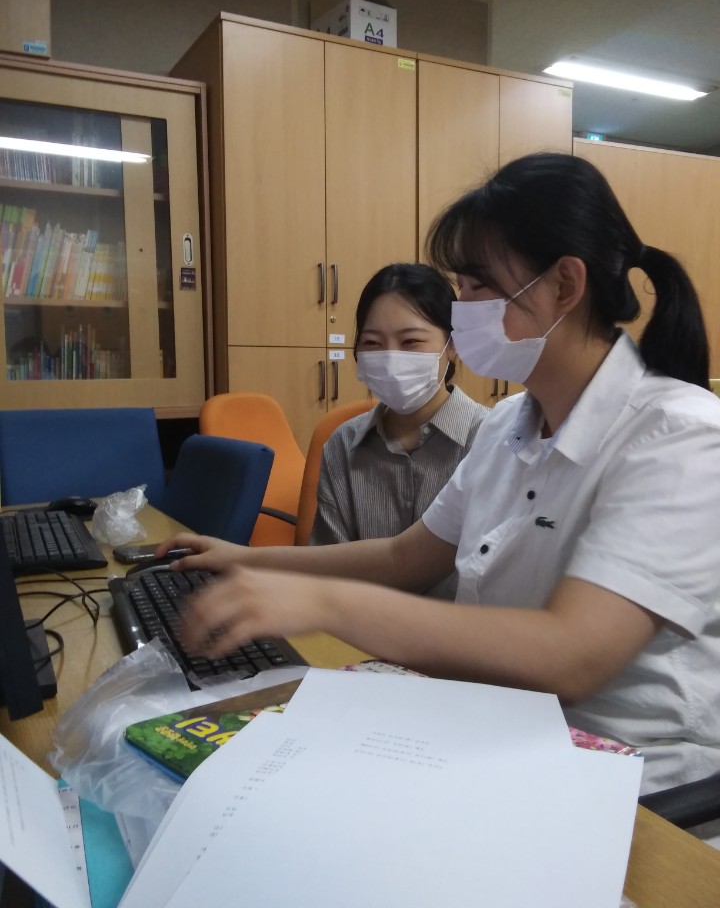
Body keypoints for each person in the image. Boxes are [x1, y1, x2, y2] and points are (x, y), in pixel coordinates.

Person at [160, 152, 720, 796]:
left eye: (478, 286)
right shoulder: (509, 425)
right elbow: (404, 558)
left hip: (635, 783)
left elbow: (574, 655)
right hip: (499, 733)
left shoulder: (679, 436)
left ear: (565, 286)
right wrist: (244, 560)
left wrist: (323, 603)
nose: (462, 309)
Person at [310, 262, 488, 599]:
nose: (391, 359)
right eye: (373, 343)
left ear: (453, 344)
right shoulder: (342, 445)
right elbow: (328, 573)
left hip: (459, 631)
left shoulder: (490, 441)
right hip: (355, 625)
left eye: (410, 342)